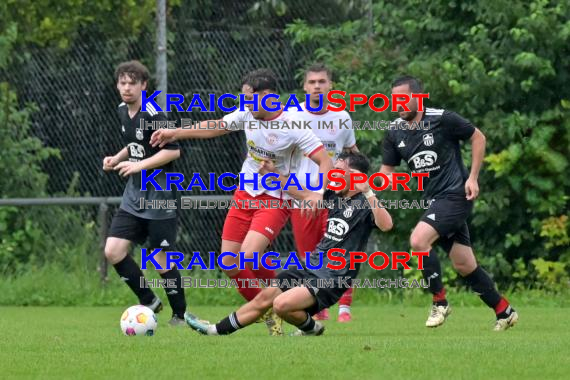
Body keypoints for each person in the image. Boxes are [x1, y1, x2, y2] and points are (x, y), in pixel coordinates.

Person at [150, 68, 333, 335]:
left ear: (268, 96)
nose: (245, 103)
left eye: (249, 97)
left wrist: (319, 193)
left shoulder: (293, 124)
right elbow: (216, 127)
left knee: (247, 257)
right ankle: (274, 313)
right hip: (244, 196)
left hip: (275, 199)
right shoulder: (248, 113)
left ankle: (276, 306)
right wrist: (175, 133)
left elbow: (324, 160)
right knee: (229, 263)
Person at [184, 151, 393, 336]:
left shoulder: (366, 203)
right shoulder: (333, 196)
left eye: (339, 170)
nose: (334, 174)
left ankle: (310, 328)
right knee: (266, 297)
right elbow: (300, 192)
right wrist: (274, 174)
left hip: (333, 277)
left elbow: (386, 225)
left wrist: (368, 191)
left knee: (280, 305)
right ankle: (213, 330)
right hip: (310, 265)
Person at [380, 75, 518, 331]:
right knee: (464, 264)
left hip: (456, 195)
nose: (397, 103)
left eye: (403, 98)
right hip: (432, 202)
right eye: (394, 99)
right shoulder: (394, 132)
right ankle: (504, 310)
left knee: (418, 241)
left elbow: (478, 137)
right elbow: (386, 171)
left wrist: (473, 178)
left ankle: (439, 302)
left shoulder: (442, 118)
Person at [103, 60, 187, 325]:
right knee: (113, 250)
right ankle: (148, 300)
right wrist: (116, 158)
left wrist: (138, 165)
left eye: (132, 83)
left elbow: (173, 150)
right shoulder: (121, 111)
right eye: (123, 83)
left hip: (160, 195)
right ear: (117, 85)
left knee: (161, 257)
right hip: (134, 194)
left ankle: (180, 315)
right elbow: (135, 144)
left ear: (143, 85)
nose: (127, 88)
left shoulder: (153, 113)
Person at [289, 63, 359, 322]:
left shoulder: (342, 117)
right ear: (304, 87)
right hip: (304, 197)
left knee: (341, 251)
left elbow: (353, 153)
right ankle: (318, 309)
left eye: (322, 81)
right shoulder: (292, 116)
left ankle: (345, 308)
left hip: (336, 197)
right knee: (310, 255)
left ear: (330, 85)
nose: (317, 86)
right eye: (312, 82)